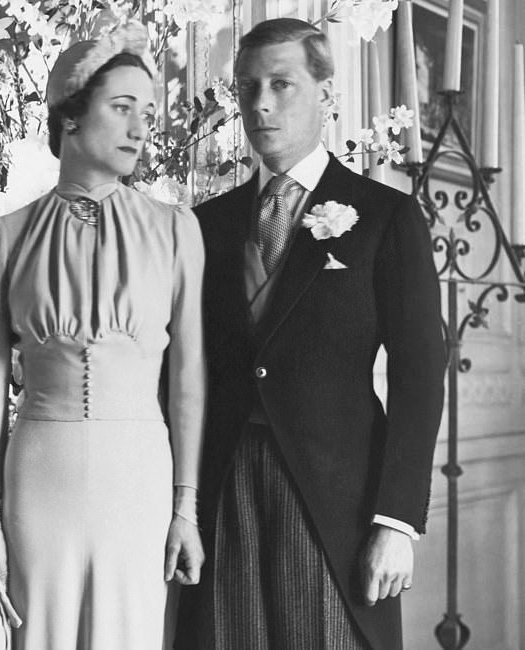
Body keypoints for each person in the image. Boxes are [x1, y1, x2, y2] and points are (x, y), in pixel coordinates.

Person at [175, 18, 445, 650]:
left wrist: (397, 520)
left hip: (335, 501)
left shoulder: (385, 217)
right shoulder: (202, 225)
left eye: (281, 84)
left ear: (327, 93)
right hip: (223, 493)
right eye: (247, 87)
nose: (260, 103)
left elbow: (419, 377)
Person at [0, 21, 206, 650]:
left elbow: (188, 379)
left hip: (141, 481)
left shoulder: (177, 231)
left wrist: (186, 507)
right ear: (70, 116)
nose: (139, 128)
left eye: (148, 114)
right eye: (121, 108)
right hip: (40, 478)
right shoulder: (6, 236)